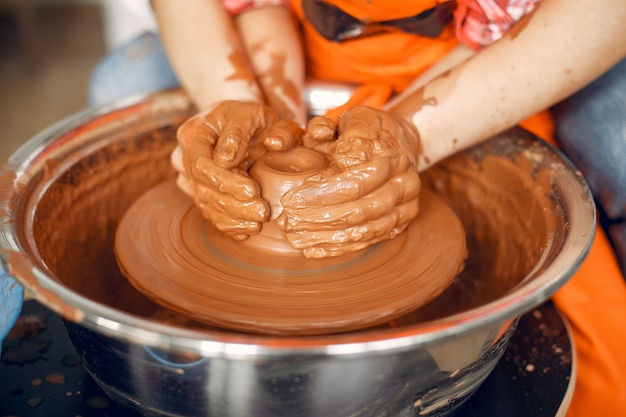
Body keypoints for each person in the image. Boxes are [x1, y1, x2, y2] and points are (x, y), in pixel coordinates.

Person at [88, 0, 626, 414]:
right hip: (302, 42)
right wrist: (256, 104)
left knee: (616, 141)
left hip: (488, 57)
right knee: (124, 82)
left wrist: (413, 136)